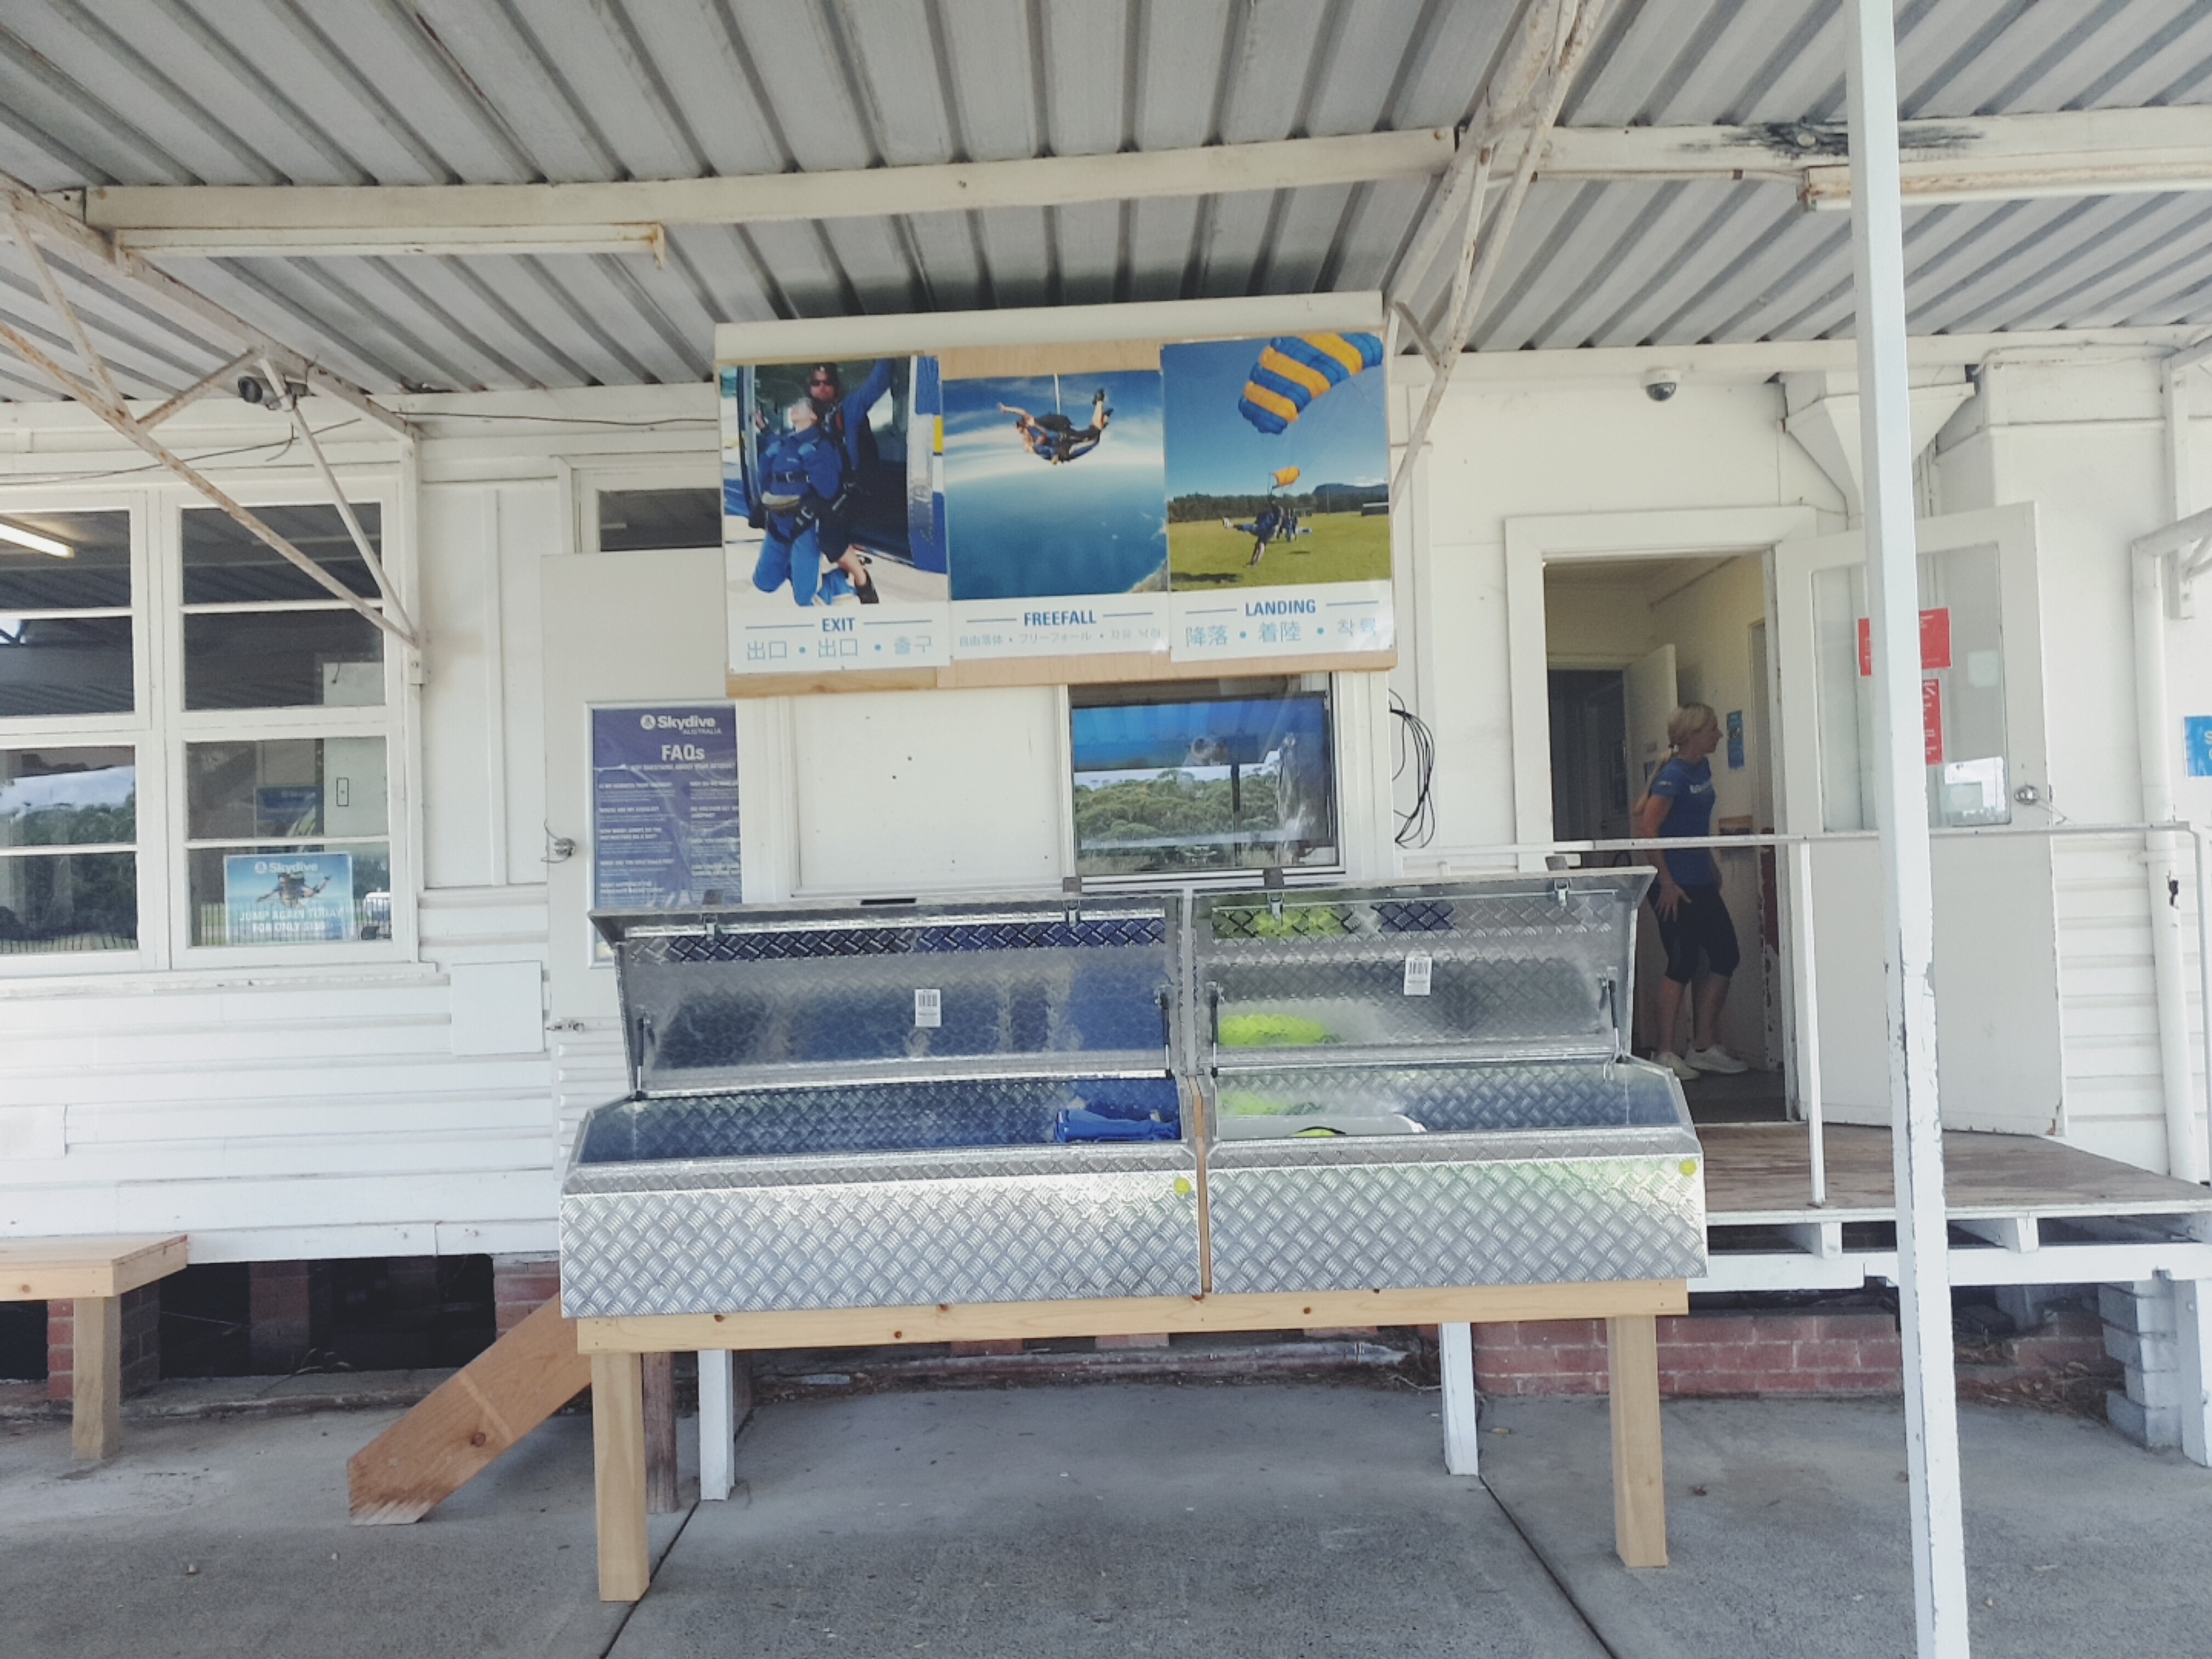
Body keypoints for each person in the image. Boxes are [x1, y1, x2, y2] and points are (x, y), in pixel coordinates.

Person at [1633, 703, 1748, 1081]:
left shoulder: (1702, 768)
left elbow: (1694, 824)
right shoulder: (1674, 776)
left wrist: (1709, 863)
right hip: (1674, 885)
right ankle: (1666, 1052)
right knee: (1682, 962)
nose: (1719, 735)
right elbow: (1648, 830)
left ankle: (1703, 1047)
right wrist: (1666, 882)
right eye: (1712, 729)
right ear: (1694, 734)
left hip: (1700, 880)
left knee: (1725, 955)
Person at [804, 360, 891, 604]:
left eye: (827, 383)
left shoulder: (849, 408)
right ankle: (840, 579)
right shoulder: (808, 418)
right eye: (816, 383)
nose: (822, 388)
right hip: (829, 490)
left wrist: (888, 354)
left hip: (856, 491)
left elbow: (878, 384)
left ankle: (863, 583)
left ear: (836, 386)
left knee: (830, 539)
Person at [749, 402, 844, 606]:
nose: (794, 407)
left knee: (805, 600)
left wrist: (811, 457)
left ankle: (837, 582)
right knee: (763, 583)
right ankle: (801, 572)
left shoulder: (822, 445)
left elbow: (829, 489)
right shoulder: (785, 442)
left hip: (804, 524)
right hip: (778, 522)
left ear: (814, 416)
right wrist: (765, 437)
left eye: (802, 405)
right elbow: (766, 477)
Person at [998, 387, 1111, 464]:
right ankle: (1102, 413)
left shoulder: (1034, 431)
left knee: (1094, 434)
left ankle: (1100, 403)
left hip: (1065, 440)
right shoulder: (1035, 443)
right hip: (1065, 446)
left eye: (1021, 429)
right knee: (1095, 437)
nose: (1022, 433)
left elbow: (1024, 414)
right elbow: (1043, 438)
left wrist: (1007, 409)